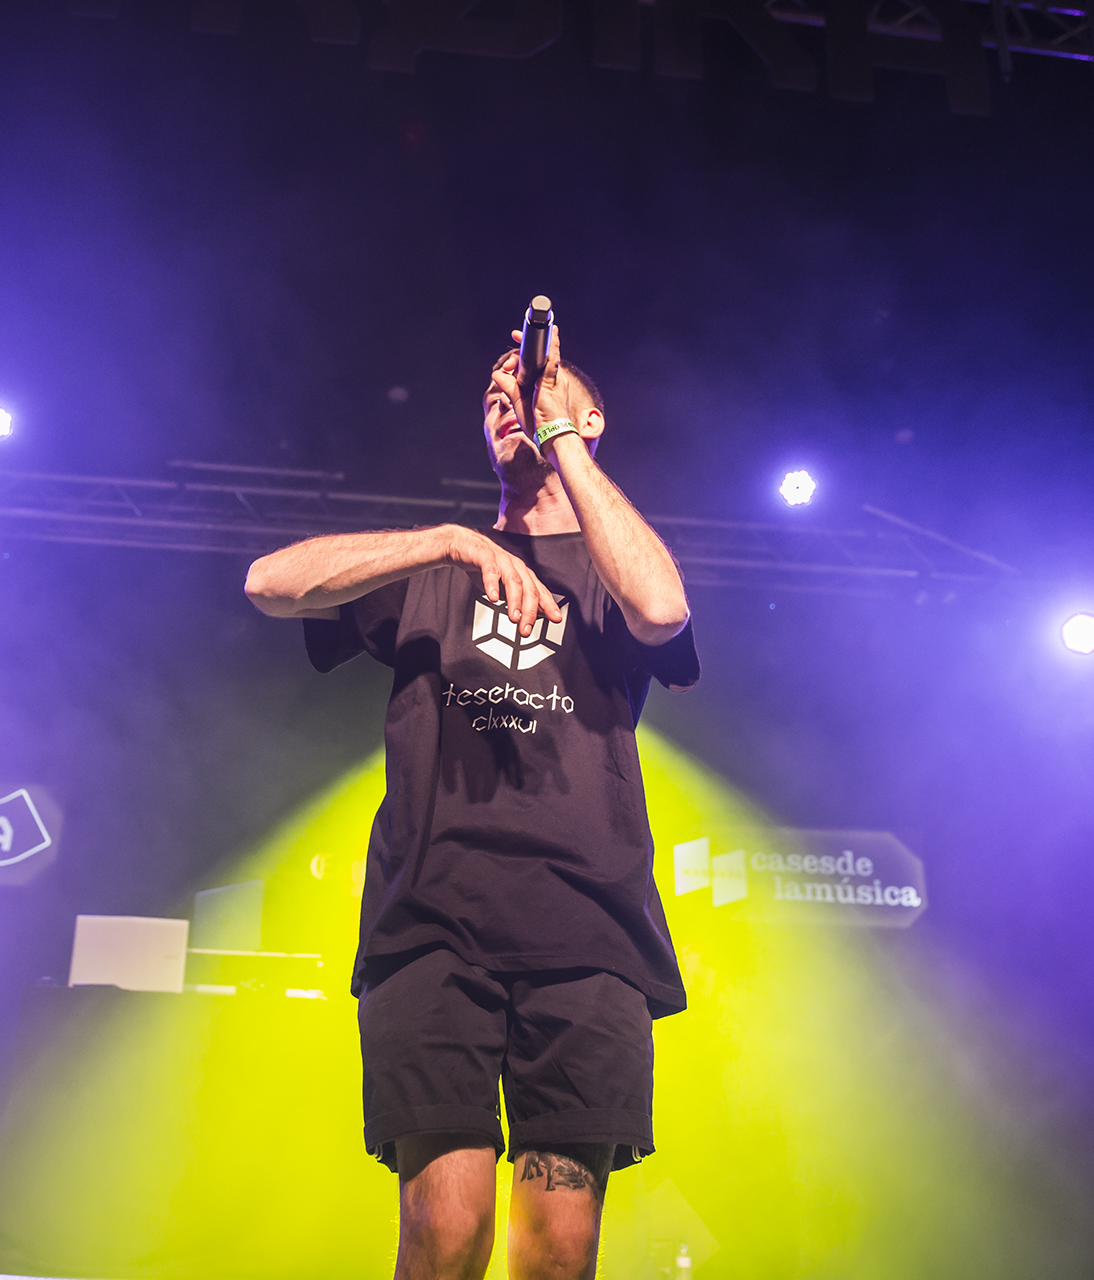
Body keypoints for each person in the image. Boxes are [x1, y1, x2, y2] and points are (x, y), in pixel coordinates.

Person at [245, 319, 698, 1280]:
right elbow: (267, 584)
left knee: (558, 1248)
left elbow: (663, 611)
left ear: (589, 417)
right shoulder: (432, 569)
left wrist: (557, 427)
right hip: (431, 928)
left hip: (589, 934)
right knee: (445, 1235)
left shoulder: (614, 572)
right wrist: (447, 540)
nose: (506, 401)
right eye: (493, 396)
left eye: (524, 388)